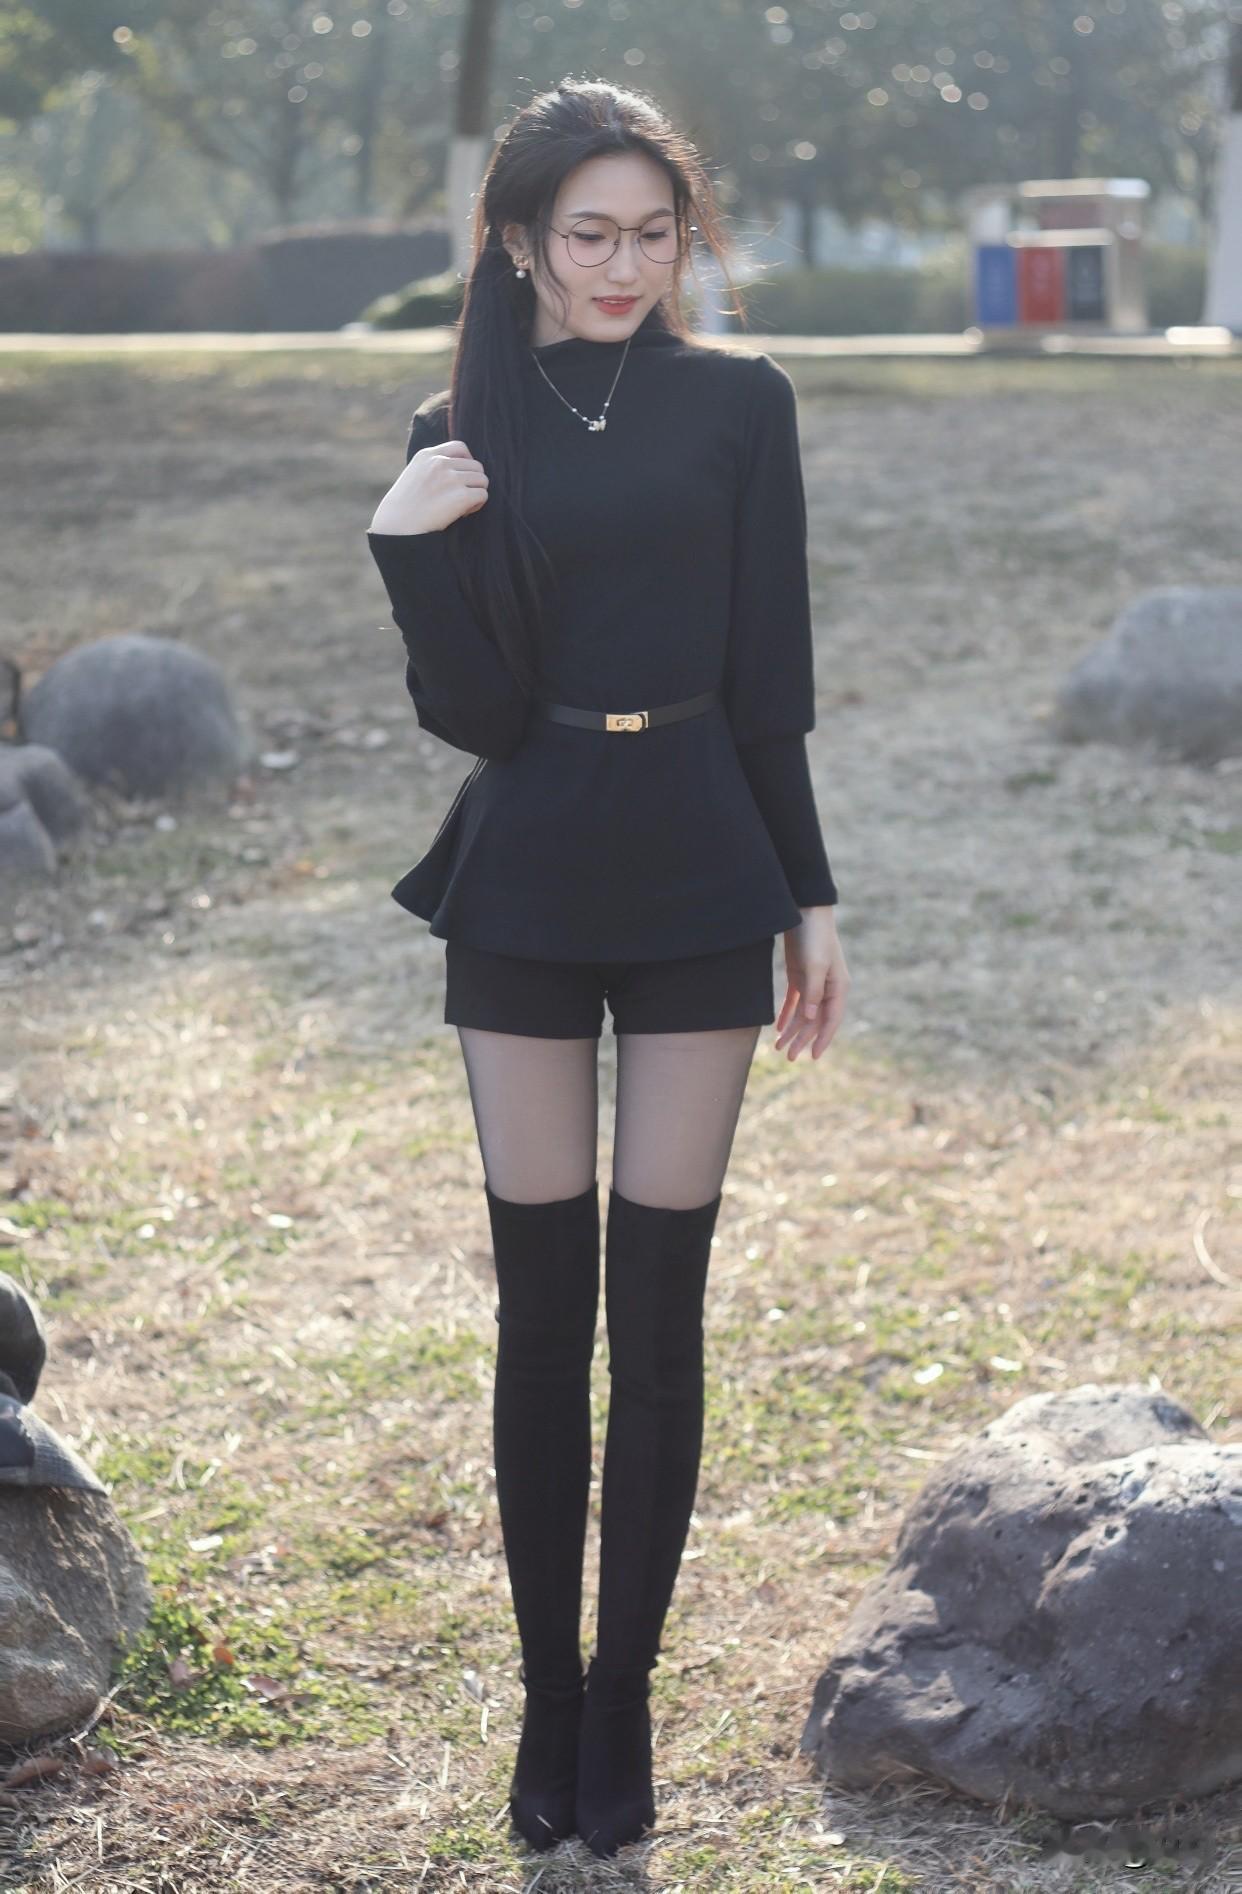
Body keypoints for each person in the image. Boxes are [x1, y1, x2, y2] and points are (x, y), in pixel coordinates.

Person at [365, 78, 850, 1859]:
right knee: (537, 1314)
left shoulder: (740, 401)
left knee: (657, 1320)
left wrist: (809, 893)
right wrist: (403, 548)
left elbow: (771, 670)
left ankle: (625, 1691)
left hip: (704, 867)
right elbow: (477, 715)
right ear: (519, 240)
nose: (625, 264)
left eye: (654, 231)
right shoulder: (462, 422)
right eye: (590, 233)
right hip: (527, 874)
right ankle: (544, 1700)